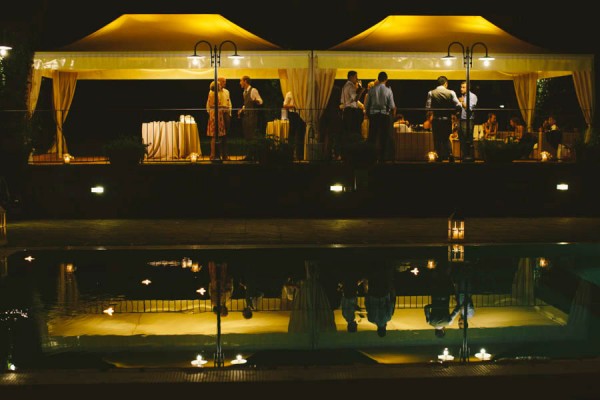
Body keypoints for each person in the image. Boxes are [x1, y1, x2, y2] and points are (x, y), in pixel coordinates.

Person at [425, 76, 461, 162]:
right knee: (445, 139)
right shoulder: (451, 92)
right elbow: (458, 105)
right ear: (446, 83)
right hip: (446, 119)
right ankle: (450, 155)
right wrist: (456, 113)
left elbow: (428, 107)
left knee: (437, 139)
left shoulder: (431, 92)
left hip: (436, 119)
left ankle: (439, 157)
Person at [365, 71, 396, 163]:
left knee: (372, 136)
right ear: (386, 79)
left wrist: (368, 114)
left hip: (374, 115)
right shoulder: (388, 90)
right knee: (384, 136)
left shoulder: (371, 90)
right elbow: (392, 105)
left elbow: (367, 105)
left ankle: (371, 157)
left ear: (378, 79)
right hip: (384, 115)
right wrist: (392, 116)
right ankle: (383, 157)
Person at [424, 263, 460, 338]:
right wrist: (434, 305)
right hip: (435, 296)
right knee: (436, 280)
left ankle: (447, 264)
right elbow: (426, 308)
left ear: (443, 330)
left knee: (445, 278)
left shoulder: (448, 322)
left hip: (445, 297)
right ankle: (436, 265)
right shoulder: (430, 322)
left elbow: (456, 311)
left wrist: (459, 305)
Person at [364, 264, 395, 337]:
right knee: (373, 278)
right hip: (372, 294)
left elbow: (390, 305)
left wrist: (391, 293)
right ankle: (373, 266)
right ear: (377, 329)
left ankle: (382, 265)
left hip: (383, 294)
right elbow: (367, 305)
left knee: (382, 277)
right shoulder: (371, 319)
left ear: (385, 328)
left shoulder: (388, 318)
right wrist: (367, 295)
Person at [340, 70, 365, 158]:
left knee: (347, 132)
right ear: (351, 77)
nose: (357, 79)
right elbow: (355, 98)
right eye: (355, 77)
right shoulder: (350, 86)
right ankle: (353, 153)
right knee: (353, 131)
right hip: (351, 111)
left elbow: (343, 101)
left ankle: (346, 153)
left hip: (347, 110)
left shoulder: (345, 86)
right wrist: (361, 90)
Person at [206, 80, 228, 161]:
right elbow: (212, 105)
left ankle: (215, 154)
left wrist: (222, 107)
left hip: (218, 114)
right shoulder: (212, 93)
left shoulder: (216, 93)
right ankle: (212, 155)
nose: (220, 86)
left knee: (217, 136)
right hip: (215, 115)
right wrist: (223, 106)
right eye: (218, 85)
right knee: (214, 136)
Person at [238, 75, 263, 143]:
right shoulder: (244, 92)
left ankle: (253, 152)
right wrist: (242, 109)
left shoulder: (253, 90)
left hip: (252, 116)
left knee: (252, 134)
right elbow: (246, 104)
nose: (240, 83)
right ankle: (248, 151)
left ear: (245, 81)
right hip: (246, 116)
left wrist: (256, 101)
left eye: (241, 81)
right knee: (247, 135)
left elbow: (260, 101)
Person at [283, 91, 306, 160]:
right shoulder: (290, 93)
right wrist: (294, 106)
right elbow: (285, 105)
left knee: (300, 134)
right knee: (292, 134)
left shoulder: (303, 92)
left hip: (301, 114)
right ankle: (290, 154)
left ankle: (299, 154)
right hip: (293, 114)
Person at [458, 80, 478, 161]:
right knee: (462, 139)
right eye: (461, 87)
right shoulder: (464, 97)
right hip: (461, 120)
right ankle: (464, 158)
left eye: (463, 87)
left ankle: (470, 158)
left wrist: (462, 102)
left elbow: (469, 109)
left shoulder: (472, 96)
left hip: (468, 121)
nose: (461, 89)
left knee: (468, 140)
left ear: (468, 88)